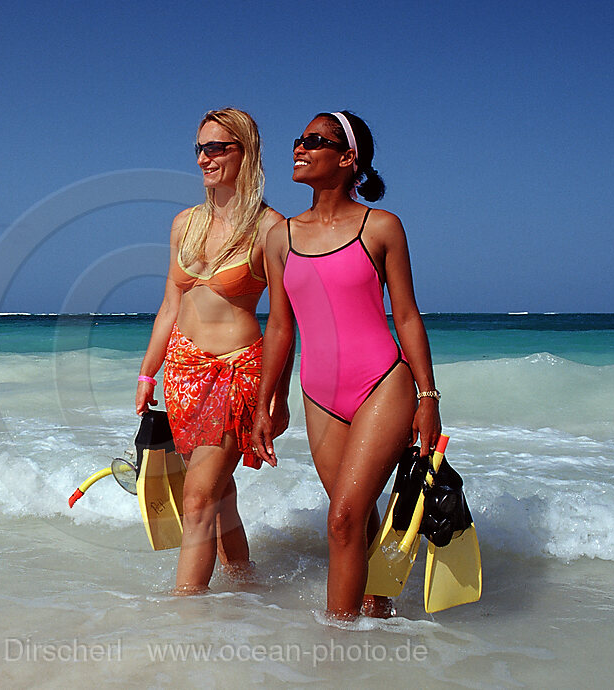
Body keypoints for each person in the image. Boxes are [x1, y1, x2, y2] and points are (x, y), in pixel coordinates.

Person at [251, 111, 441, 620]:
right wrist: (266, 402)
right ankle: (376, 622)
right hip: (319, 396)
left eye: (315, 141)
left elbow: (405, 315)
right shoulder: (280, 238)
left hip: (383, 384)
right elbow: (279, 329)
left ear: (348, 158)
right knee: (356, 521)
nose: (300, 147)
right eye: (299, 139)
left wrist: (428, 398)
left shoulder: (381, 227)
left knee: (341, 520)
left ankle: (337, 650)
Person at [136, 108, 291, 594]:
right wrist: (147, 374)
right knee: (220, 495)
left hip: (236, 371)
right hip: (182, 374)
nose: (205, 157)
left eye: (217, 147)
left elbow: (287, 321)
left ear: (246, 152)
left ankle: (185, 617)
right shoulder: (185, 224)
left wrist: (277, 397)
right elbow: (168, 305)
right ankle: (246, 589)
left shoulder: (272, 228)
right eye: (200, 148)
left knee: (198, 496)